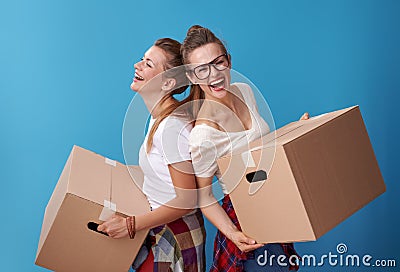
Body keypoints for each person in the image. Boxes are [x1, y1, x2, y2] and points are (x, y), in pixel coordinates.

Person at [181, 25, 308, 272]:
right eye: (202, 70)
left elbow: (261, 149)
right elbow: (205, 196)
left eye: (218, 62)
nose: (213, 74)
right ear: (193, 77)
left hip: (274, 202)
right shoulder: (203, 136)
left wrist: (296, 132)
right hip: (245, 218)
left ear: (228, 61)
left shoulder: (244, 91)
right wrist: (232, 233)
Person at [98, 38, 206, 272]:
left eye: (148, 64)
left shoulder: (172, 127)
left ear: (167, 82)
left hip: (175, 234)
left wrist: (130, 224)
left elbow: (188, 200)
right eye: (142, 59)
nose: (137, 65)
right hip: (159, 229)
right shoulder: (160, 119)